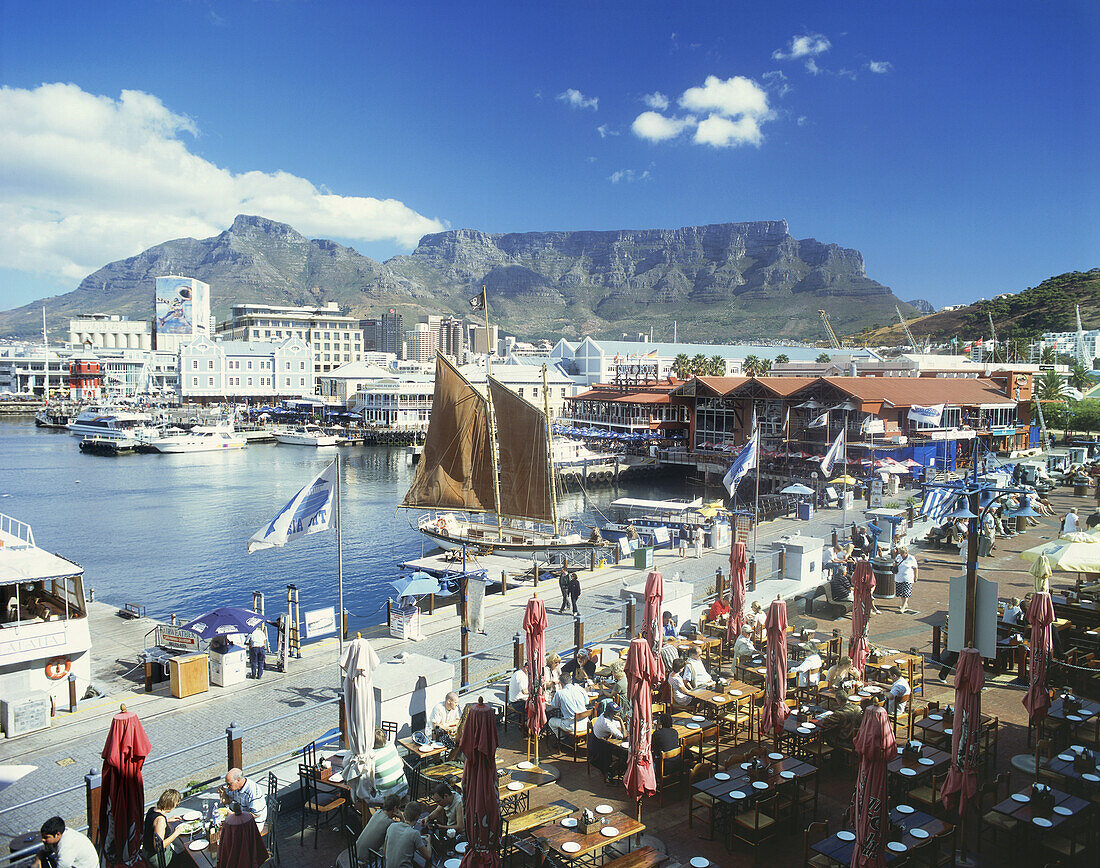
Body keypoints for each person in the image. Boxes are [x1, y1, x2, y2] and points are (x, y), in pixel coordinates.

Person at [338, 793, 403, 868]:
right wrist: (402, 819)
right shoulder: (390, 824)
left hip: (354, 854)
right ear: (395, 808)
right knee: (394, 860)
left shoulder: (378, 813)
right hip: (365, 864)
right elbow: (403, 834)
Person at [383, 801, 431, 868]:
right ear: (417, 817)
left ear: (404, 814)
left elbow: (385, 851)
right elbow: (428, 856)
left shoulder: (392, 826)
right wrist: (428, 842)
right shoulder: (414, 834)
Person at [143, 789, 184, 866]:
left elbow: (152, 826)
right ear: (171, 804)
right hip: (157, 859)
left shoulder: (152, 809)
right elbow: (159, 847)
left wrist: (168, 820)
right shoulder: (160, 820)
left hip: (146, 852)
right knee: (184, 858)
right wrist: (176, 833)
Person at [370, 728, 408, 799]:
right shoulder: (391, 746)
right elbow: (402, 764)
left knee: (361, 793)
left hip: (388, 798)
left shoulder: (372, 756)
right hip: (403, 790)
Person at [894, 546, 918, 614]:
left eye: (902, 553)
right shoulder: (898, 556)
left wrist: (916, 577)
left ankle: (904, 606)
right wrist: (895, 562)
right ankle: (904, 603)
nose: (901, 554)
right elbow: (894, 566)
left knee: (906, 592)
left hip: (908, 578)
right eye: (900, 553)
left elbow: (915, 568)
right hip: (899, 577)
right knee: (901, 592)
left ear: (906, 552)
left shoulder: (911, 558)